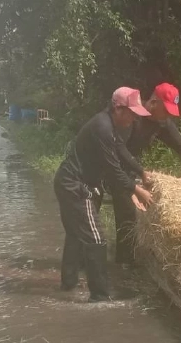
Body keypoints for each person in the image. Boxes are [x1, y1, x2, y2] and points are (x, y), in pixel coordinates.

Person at [54, 87, 155, 302]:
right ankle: (100, 297)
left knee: (76, 235)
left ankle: (68, 284)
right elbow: (113, 169)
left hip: (68, 182)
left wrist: (140, 171)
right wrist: (137, 190)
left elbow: (120, 152)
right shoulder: (102, 128)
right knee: (96, 239)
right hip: (76, 186)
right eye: (132, 113)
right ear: (118, 108)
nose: (135, 118)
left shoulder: (110, 125)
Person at [110, 82, 181, 265]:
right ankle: (123, 270)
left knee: (141, 210)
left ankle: (132, 258)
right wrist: (132, 187)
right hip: (111, 165)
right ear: (154, 102)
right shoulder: (132, 115)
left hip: (130, 166)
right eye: (166, 110)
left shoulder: (161, 122)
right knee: (126, 214)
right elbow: (116, 151)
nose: (168, 116)